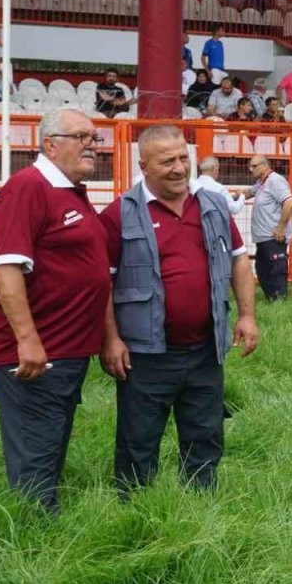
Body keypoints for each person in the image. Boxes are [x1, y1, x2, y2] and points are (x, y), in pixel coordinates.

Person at [99, 126, 259, 496]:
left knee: (205, 435)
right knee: (138, 440)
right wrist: (110, 339)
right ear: (143, 165)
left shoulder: (213, 206)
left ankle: (201, 504)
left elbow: (238, 260)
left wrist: (247, 315)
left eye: (183, 158)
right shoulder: (118, 215)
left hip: (205, 350)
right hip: (145, 355)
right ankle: (135, 511)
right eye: (166, 160)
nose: (178, 168)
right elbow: (102, 283)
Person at [0, 109, 111, 513]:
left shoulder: (69, 190)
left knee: (50, 441)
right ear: (50, 144)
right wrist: (27, 340)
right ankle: (35, 538)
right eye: (82, 137)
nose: (93, 145)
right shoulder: (27, 188)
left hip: (66, 350)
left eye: (95, 138)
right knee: (36, 451)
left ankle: (41, 520)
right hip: (39, 354)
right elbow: (5, 267)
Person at [238, 156, 292, 301]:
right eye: (250, 166)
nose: (250, 169)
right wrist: (226, 196)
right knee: (263, 270)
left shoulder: (275, 181)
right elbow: (249, 192)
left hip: (274, 236)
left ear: (264, 166)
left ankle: (279, 300)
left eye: (254, 166)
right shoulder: (262, 183)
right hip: (263, 237)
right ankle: (271, 298)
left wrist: (281, 228)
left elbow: (289, 203)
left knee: (276, 269)